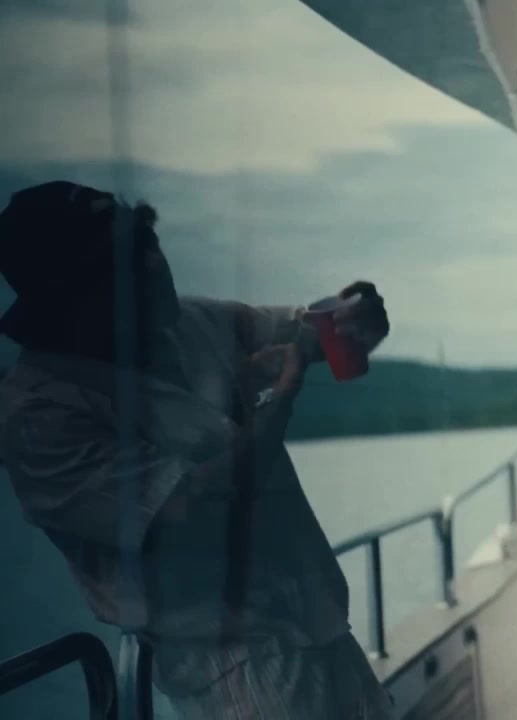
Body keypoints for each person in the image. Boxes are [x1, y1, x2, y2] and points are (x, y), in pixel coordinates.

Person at [0, 181, 395, 718]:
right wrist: (276, 405)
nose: (154, 264)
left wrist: (355, 315)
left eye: (147, 240)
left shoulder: (189, 321)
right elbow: (193, 509)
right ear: (70, 295)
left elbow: (313, 333)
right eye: (125, 260)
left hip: (323, 626)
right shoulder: (40, 416)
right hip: (236, 671)